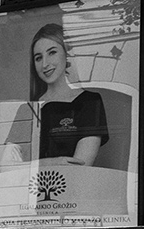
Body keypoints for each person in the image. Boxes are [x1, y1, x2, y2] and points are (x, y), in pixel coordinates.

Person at [29, 23, 108, 167]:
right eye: (38, 58)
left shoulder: (89, 102)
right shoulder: (27, 109)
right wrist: (54, 162)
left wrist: (29, 167)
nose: (45, 64)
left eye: (52, 52)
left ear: (67, 54)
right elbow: (5, 167)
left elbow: (79, 167)